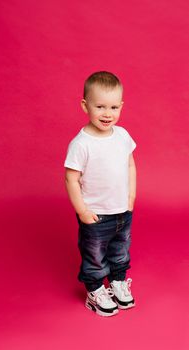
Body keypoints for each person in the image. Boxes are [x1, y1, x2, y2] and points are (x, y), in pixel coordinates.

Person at [64, 71, 137, 317]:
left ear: (122, 106)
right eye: (100, 106)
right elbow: (71, 178)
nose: (108, 113)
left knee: (120, 250)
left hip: (122, 211)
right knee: (94, 254)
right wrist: (82, 210)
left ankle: (117, 282)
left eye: (114, 107)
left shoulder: (123, 135)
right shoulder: (81, 143)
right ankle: (95, 290)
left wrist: (131, 196)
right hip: (95, 214)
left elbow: (130, 165)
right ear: (85, 105)